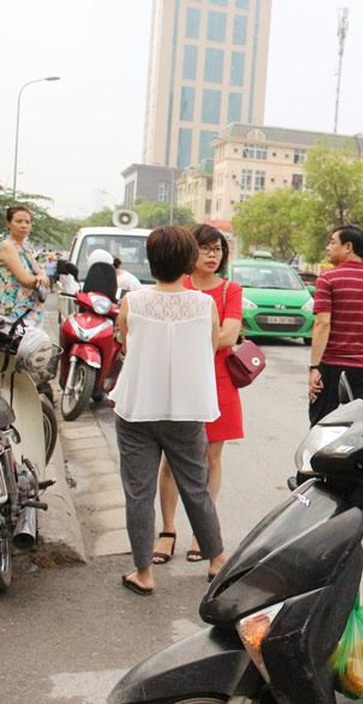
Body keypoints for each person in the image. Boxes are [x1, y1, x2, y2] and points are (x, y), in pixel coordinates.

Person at [110, 225, 227, 595]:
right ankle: (216, 560)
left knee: (138, 492)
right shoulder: (204, 304)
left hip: (136, 409)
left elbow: (126, 345)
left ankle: (143, 572)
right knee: (196, 486)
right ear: (190, 261)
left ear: (151, 261)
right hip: (186, 410)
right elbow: (208, 350)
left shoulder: (133, 300)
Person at [153, 224, 242, 565]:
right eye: (205, 248)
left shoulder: (230, 290)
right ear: (190, 252)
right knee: (171, 462)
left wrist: (188, 334)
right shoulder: (178, 285)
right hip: (178, 382)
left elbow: (227, 338)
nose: (212, 254)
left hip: (219, 384)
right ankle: (168, 530)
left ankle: (201, 533)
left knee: (211, 460)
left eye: (218, 249)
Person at [307, 224, 363, 425]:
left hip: (331, 368)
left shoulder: (328, 278)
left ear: (348, 247)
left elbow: (322, 324)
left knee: (321, 430)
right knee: (360, 432)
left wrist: (314, 367)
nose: (328, 247)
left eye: (332, 242)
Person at [0, 205, 50, 327]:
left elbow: (41, 274)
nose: (24, 225)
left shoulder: (25, 248)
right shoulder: (7, 246)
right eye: (18, 221)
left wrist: (42, 278)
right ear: (8, 224)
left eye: (27, 222)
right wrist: (40, 279)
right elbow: (25, 279)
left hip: (30, 311)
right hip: (12, 313)